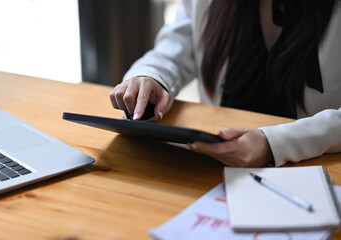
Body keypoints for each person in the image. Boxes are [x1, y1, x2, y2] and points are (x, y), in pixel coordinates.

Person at [109, 0, 341, 167]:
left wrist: (273, 144)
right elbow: (177, 46)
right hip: (214, 170)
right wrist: (151, 77)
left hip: (314, 170)